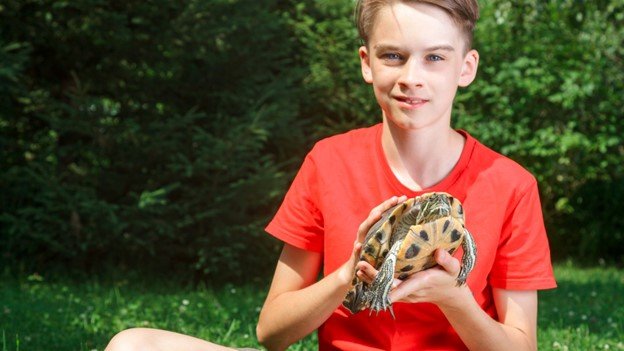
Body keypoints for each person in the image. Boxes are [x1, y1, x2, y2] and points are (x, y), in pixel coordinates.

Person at [105, 1, 556, 350]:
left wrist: (452, 298)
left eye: (434, 58)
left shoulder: (510, 183)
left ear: (466, 68)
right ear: (367, 63)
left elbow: (521, 345)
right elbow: (272, 333)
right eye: (394, 56)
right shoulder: (329, 161)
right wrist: (348, 273)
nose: (411, 77)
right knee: (133, 344)